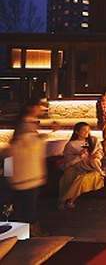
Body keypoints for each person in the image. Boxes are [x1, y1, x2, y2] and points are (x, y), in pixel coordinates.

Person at [9, 99, 47, 232]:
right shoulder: (26, 126)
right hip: (27, 175)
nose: (41, 109)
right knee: (27, 207)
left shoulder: (26, 125)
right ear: (31, 108)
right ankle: (29, 232)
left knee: (24, 205)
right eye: (39, 106)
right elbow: (28, 146)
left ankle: (24, 232)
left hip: (25, 175)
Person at [58, 122, 105, 210]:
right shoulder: (71, 144)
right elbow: (68, 160)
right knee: (70, 176)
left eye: (88, 130)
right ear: (77, 132)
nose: (87, 132)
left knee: (83, 179)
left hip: (92, 166)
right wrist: (79, 156)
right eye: (84, 130)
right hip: (76, 166)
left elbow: (99, 151)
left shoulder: (93, 140)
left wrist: (97, 156)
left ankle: (69, 200)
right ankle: (63, 200)